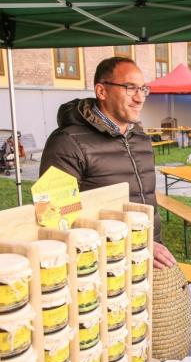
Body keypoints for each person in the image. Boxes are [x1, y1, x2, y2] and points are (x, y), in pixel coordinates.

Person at [40, 56, 176, 269]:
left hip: (149, 259)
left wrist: (150, 243)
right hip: (102, 268)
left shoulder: (140, 138)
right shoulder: (66, 143)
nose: (140, 98)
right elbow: (55, 217)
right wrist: (132, 244)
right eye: (130, 88)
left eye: (143, 89)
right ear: (101, 91)